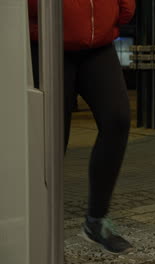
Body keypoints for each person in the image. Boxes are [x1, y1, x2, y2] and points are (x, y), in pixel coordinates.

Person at [28, 0, 136, 254]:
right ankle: (38, 226)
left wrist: (121, 8)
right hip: (47, 41)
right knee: (52, 137)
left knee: (117, 119)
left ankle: (95, 221)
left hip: (98, 44)